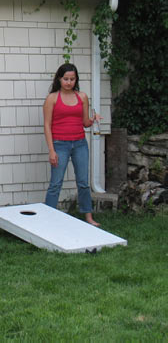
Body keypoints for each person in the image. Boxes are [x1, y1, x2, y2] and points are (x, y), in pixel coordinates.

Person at [43, 63, 101, 226]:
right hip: (59, 144)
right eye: (66, 79)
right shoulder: (52, 98)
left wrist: (93, 120)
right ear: (59, 79)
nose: (69, 82)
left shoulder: (82, 97)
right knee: (56, 183)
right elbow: (47, 125)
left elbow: (84, 122)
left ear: (76, 80)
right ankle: (48, 219)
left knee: (83, 182)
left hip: (80, 144)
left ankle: (88, 216)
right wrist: (51, 150)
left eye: (72, 79)